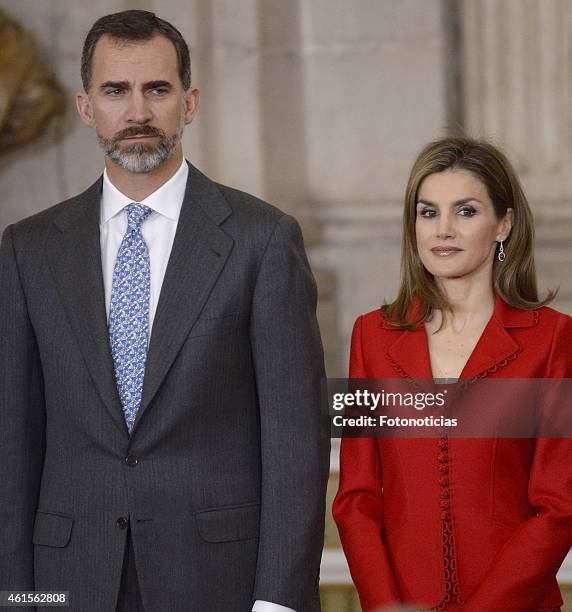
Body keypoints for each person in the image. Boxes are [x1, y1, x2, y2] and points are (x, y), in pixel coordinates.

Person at [0, 10, 329, 612]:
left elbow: (295, 442)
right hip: (70, 582)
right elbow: (14, 444)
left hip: (217, 583)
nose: (137, 113)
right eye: (115, 91)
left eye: (157, 89)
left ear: (190, 102)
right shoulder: (29, 249)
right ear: (85, 107)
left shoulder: (262, 240)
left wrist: (278, 601)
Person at [333, 136, 572, 611]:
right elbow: (354, 500)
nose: (443, 230)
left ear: (503, 223)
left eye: (465, 212)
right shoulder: (370, 338)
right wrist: (386, 607)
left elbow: (560, 506)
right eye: (428, 212)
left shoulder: (554, 340)